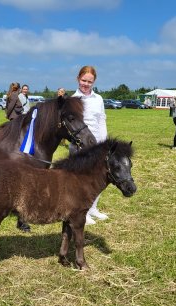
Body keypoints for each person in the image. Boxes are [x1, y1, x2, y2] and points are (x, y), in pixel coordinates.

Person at [72, 65, 107, 225]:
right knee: (81, 180)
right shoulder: (72, 100)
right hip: (80, 145)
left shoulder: (98, 99)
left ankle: (93, 208)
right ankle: (82, 212)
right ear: (78, 79)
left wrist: (104, 142)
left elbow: (101, 120)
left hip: (97, 144)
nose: (86, 84)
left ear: (94, 82)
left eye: (89, 81)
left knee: (99, 178)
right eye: (83, 80)